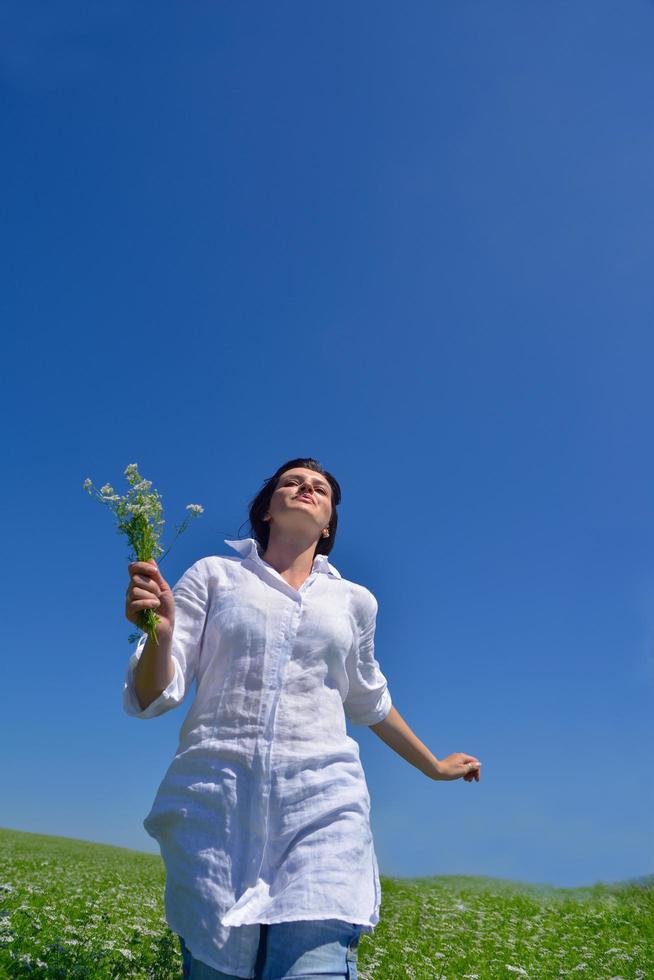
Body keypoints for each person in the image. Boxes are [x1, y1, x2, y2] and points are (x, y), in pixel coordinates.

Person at [123, 457, 482, 979]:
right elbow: (157, 691)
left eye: (320, 488)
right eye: (290, 482)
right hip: (214, 810)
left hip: (322, 809)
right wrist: (157, 632)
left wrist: (434, 766)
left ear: (330, 522)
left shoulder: (355, 602)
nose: (305, 488)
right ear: (267, 508)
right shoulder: (214, 575)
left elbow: (369, 699)